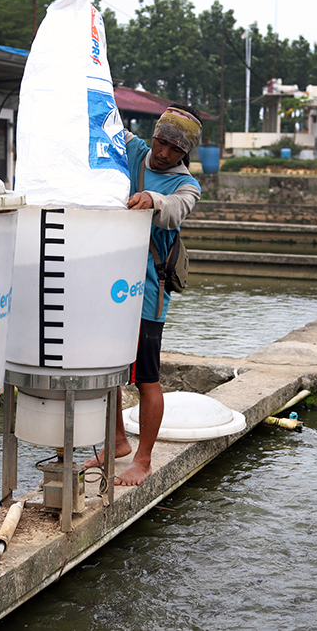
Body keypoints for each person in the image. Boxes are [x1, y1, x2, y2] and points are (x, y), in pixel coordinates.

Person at [83, 104, 203, 486]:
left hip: (148, 293)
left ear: (185, 155)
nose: (163, 152)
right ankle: (116, 441)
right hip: (111, 283)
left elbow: (176, 210)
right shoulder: (134, 151)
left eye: (174, 149)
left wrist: (152, 199)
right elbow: (104, 117)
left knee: (146, 378)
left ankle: (143, 459)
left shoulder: (187, 186)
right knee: (106, 371)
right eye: (160, 141)